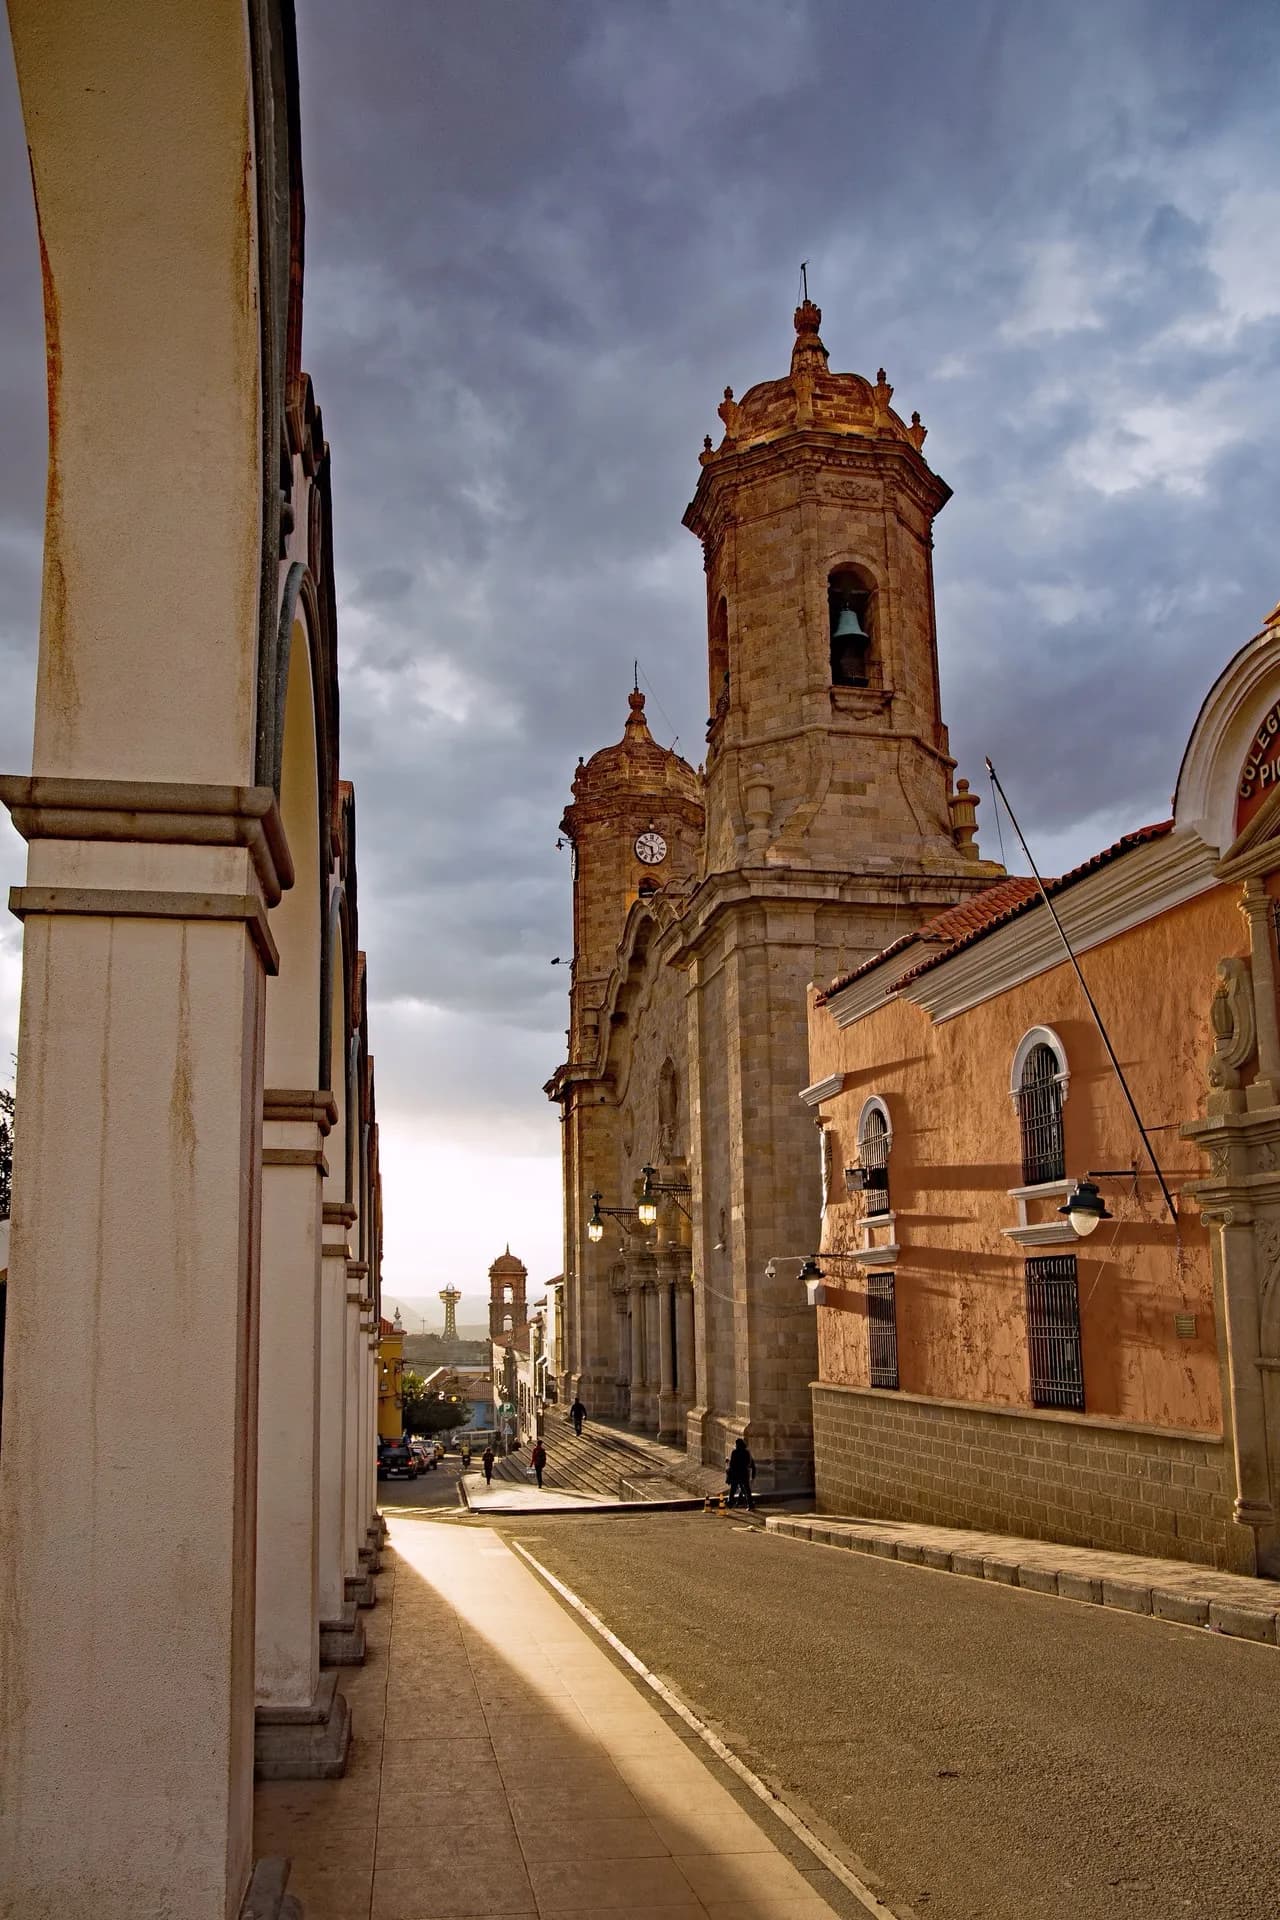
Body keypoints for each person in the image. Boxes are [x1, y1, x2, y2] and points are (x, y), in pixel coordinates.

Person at [726, 1435, 756, 1511]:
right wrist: (752, 1475)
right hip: (744, 1474)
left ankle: (730, 1503)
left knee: (733, 1489)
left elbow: (732, 1464)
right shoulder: (747, 1453)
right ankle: (750, 1504)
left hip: (736, 1474)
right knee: (747, 1490)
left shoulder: (735, 1452)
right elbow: (750, 1463)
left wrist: (729, 1472)